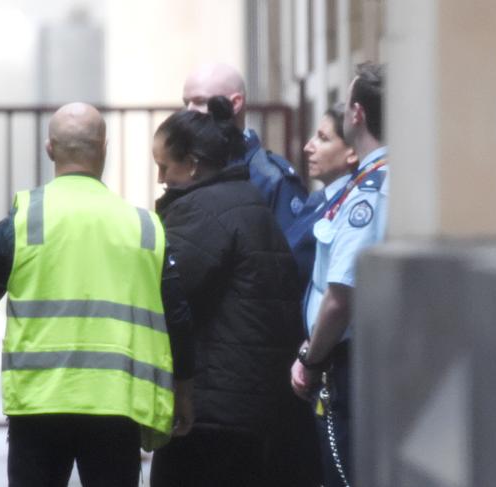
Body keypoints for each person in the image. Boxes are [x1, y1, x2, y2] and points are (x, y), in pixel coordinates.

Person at [0, 102, 194, 487]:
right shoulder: (143, 227)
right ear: (104, 149)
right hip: (116, 406)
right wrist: (185, 394)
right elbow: (178, 319)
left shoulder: (25, 222)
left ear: (49, 149)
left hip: (39, 407)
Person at [149, 96, 303, 487]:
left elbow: (169, 297)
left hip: (213, 409)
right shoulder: (245, 199)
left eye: (164, 166)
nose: (160, 178)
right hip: (252, 403)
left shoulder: (200, 212)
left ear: (193, 163)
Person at [183, 62, 322, 486]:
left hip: (251, 375)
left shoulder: (270, 181)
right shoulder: (194, 169)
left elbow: (284, 279)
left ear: (235, 103)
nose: (190, 111)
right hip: (207, 369)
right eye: (185, 101)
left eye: (200, 102)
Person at [291, 63, 388, 487]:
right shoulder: (376, 180)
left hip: (349, 364)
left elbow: (340, 296)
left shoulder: (368, 192)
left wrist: (311, 359)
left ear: (357, 115)